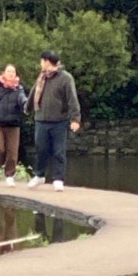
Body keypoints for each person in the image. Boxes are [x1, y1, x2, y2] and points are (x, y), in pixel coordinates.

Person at [31, 49, 80, 189]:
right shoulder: (42, 77)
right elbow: (35, 93)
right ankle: (39, 175)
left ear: (47, 62)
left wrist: (75, 118)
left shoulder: (65, 78)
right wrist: (26, 107)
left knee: (58, 151)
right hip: (41, 118)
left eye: (41, 61)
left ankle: (58, 178)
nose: (40, 64)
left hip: (59, 120)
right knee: (41, 149)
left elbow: (72, 98)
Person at [0, 63, 29, 181]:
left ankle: (10, 175)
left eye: (13, 72)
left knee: (12, 153)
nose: (11, 74)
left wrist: (26, 104)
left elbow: (22, 99)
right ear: (3, 73)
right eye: (9, 71)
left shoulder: (19, 88)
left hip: (14, 124)